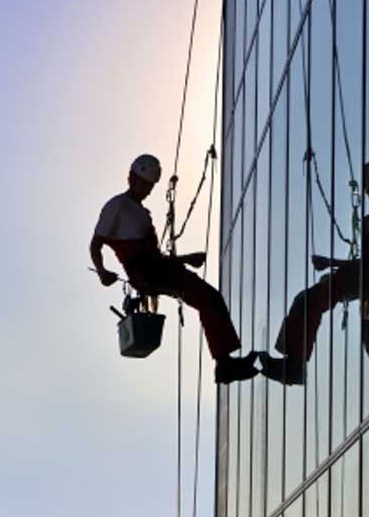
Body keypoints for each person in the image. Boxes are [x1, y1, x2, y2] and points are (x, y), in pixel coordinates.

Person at [90, 154, 258, 384]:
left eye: (150, 186)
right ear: (131, 178)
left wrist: (186, 259)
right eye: (144, 184)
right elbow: (96, 244)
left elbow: (154, 257)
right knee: (208, 297)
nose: (148, 190)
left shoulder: (141, 213)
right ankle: (224, 364)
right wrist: (101, 271)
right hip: (146, 270)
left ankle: (225, 362)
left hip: (153, 268)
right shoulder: (117, 205)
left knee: (210, 298)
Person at [260, 160, 369, 385]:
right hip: (361, 275)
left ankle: (294, 365)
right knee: (304, 299)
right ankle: (293, 361)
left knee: (312, 300)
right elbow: (364, 262)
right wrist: (331, 262)